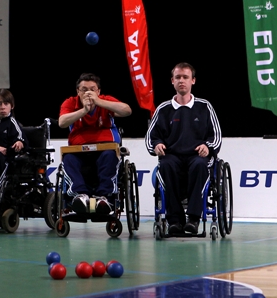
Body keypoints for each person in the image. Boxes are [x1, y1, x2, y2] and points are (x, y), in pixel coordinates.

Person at [145, 62, 222, 234]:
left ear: (193, 81)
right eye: (178, 77)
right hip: (172, 156)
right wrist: (156, 145)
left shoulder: (204, 107)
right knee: (165, 165)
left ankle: (193, 219)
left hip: (197, 156)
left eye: (185, 77)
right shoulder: (163, 109)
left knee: (200, 165)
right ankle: (174, 221)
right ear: (172, 81)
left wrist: (207, 147)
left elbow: (216, 136)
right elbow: (151, 137)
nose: (181, 80)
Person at [58, 73, 132, 214]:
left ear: (98, 91)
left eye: (92, 89)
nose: (88, 93)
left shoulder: (105, 100)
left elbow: (127, 111)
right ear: (78, 92)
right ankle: (80, 196)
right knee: (68, 159)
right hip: (78, 151)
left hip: (105, 148)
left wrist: (99, 102)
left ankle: (103, 198)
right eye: (84, 90)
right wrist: (84, 110)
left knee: (110, 156)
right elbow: (62, 122)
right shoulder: (70, 103)